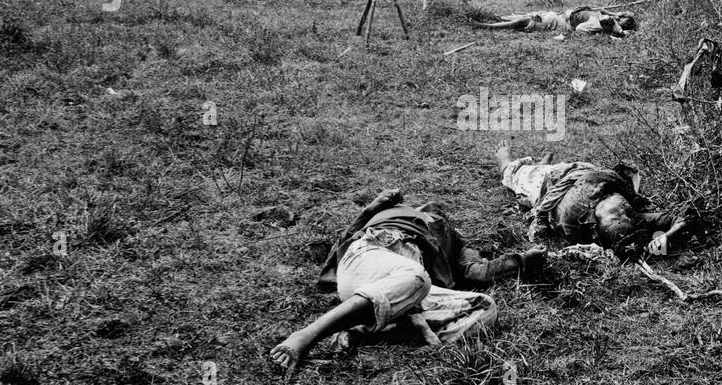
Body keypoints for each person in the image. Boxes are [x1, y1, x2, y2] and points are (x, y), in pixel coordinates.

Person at [269, 188, 545, 371]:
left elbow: (477, 272)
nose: (434, 212)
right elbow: (342, 245)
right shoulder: (390, 214)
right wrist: (372, 208)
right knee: (416, 277)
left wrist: (523, 260)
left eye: (440, 214)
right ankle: (306, 335)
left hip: (410, 292)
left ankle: (369, 332)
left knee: (485, 306)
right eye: (430, 210)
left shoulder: (455, 240)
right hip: (372, 259)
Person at [494, 141, 681, 253]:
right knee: (549, 171)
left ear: (595, 220)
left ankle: (505, 162)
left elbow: (589, 180)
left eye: (617, 216)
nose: (624, 209)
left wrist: (661, 238)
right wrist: (668, 235)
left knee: (517, 176)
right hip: (574, 171)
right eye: (628, 212)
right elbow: (680, 217)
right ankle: (542, 164)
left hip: (545, 185)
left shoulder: (574, 210)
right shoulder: (621, 202)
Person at [475, 5, 637, 37]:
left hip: (559, 23)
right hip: (558, 15)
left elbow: (580, 30)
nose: (614, 18)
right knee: (524, 15)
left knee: (525, 21)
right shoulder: (603, 15)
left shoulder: (598, 23)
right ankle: (495, 19)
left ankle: (489, 26)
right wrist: (617, 13)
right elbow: (601, 9)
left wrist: (605, 29)